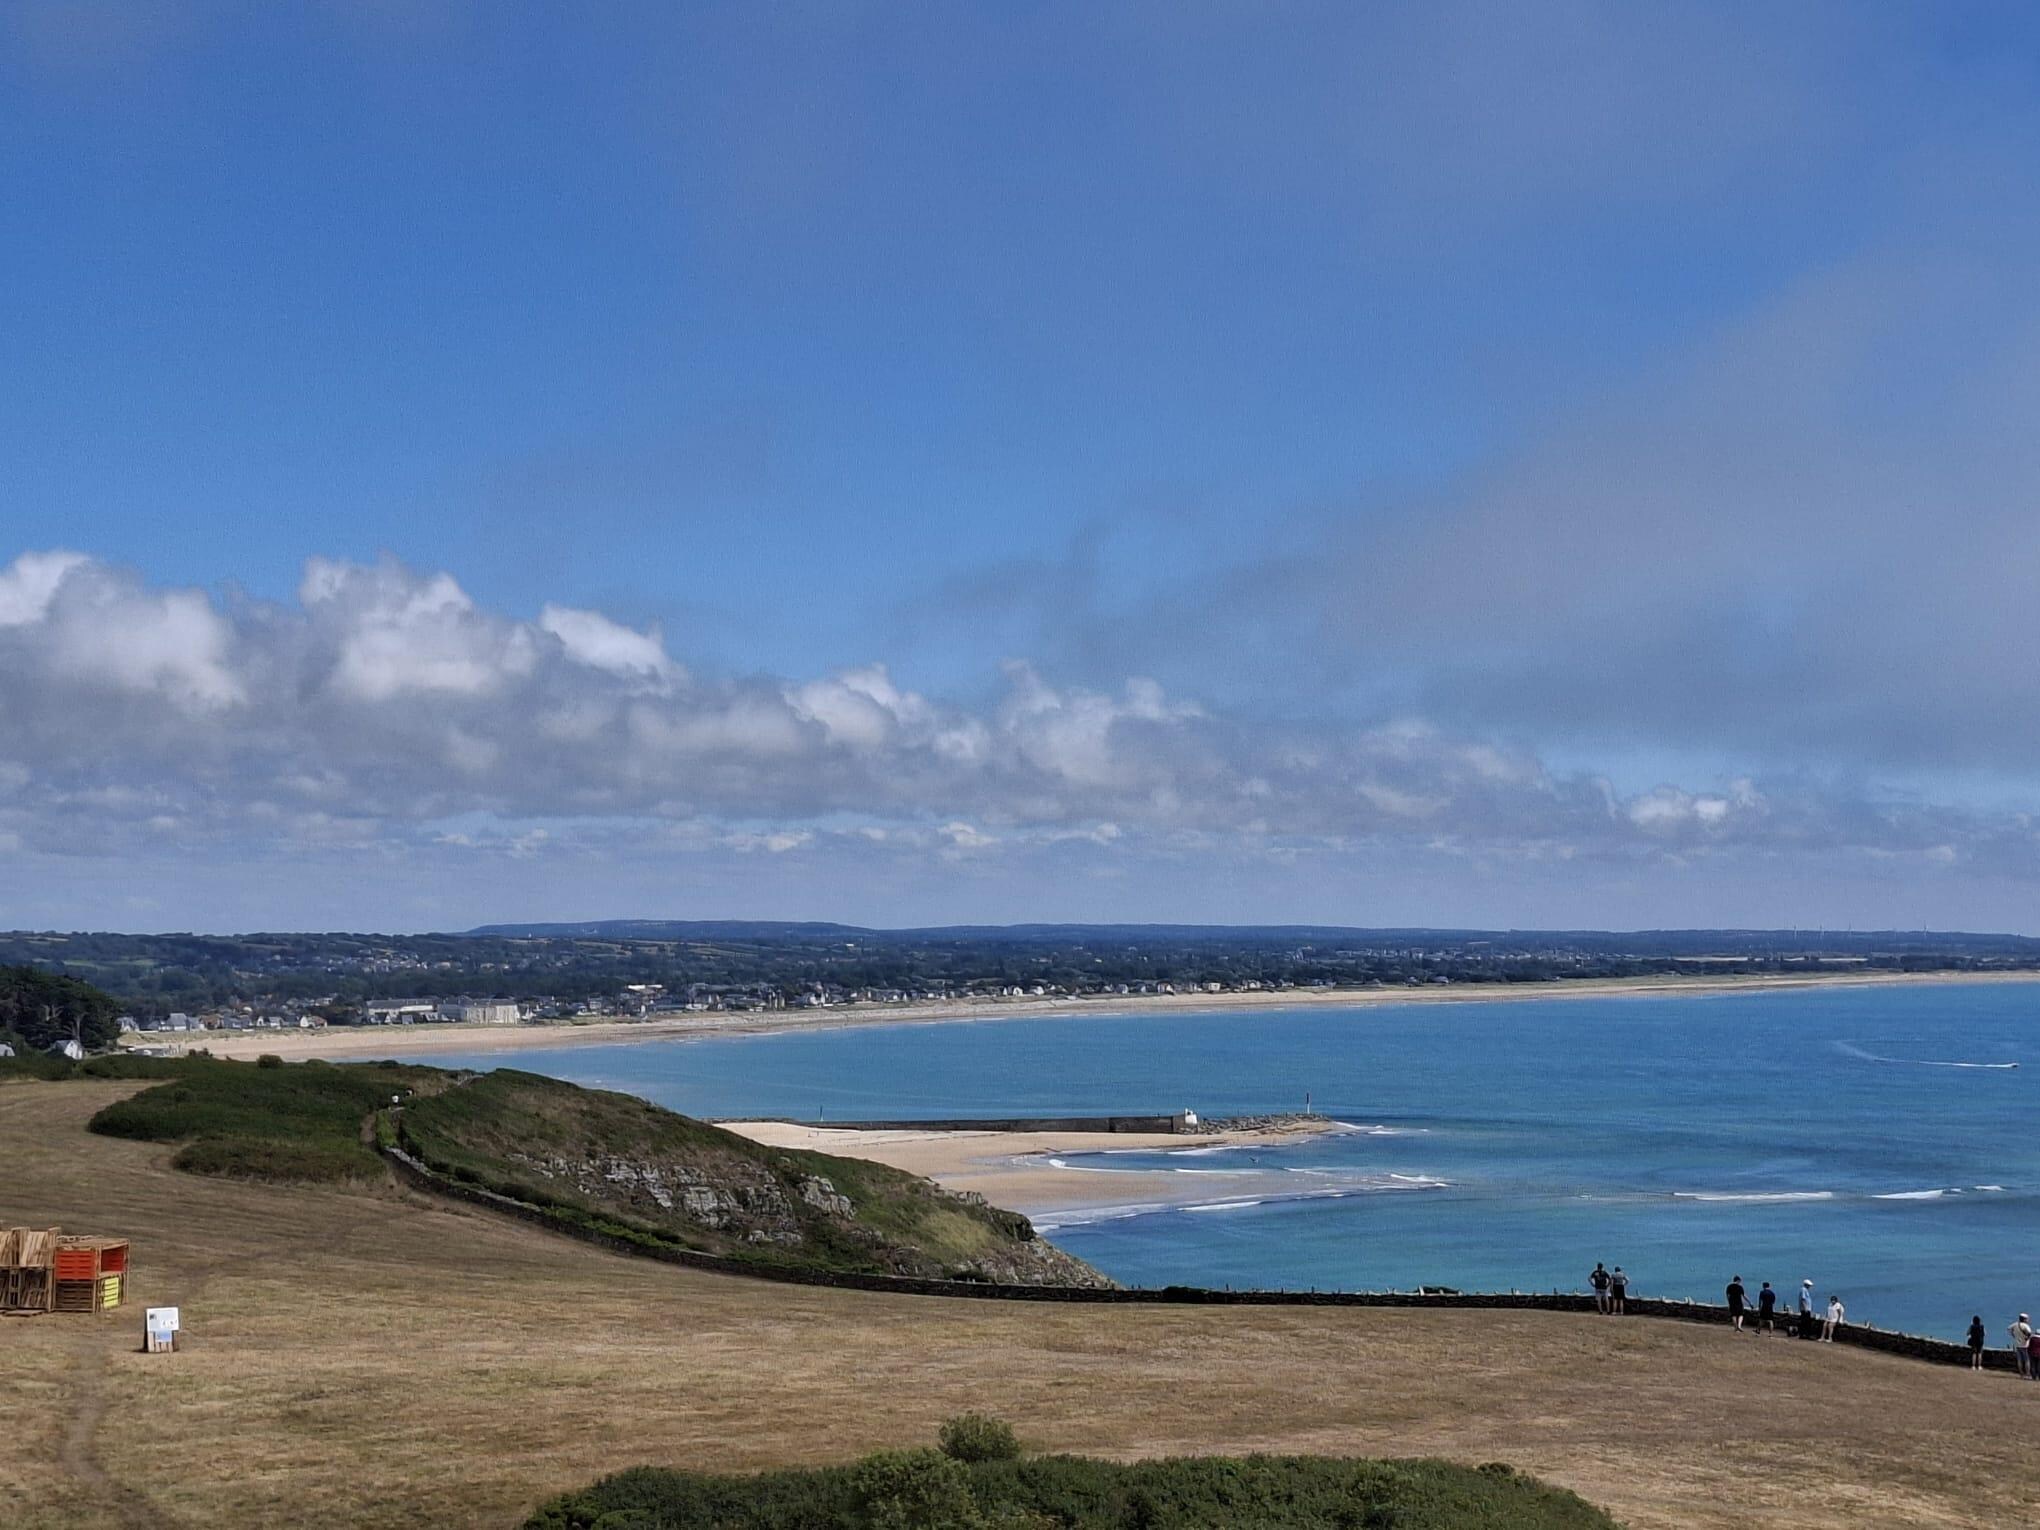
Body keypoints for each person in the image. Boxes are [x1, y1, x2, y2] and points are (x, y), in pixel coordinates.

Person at [2012, 1314, 2033, 1379]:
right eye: (2027, 1319)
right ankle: (2027, 1374)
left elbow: (2009, 1329)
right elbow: (2029, 1333)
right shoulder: (2026, 1326)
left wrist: (2014, 1335)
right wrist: (2027, 1338)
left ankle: (2021, 1374)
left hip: (2017, 1344)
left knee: (2019, 1360)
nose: (2028, 1320)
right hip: (2025, 1345)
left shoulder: (2015, 1324)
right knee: (2027, 1360)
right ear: (2024, 1319)